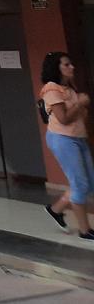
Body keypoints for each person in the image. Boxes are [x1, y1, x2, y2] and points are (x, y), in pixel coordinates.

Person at [40, 51, 94, 240]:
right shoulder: (51, 89)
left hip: (78, 138)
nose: (72, 67)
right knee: (80, 183)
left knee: (89, 182)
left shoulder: (69, 89)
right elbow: (63, 119)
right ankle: (85, 230)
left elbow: (79, 115)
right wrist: (79, 104)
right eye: (66, 64)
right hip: (63, 139)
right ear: (57, 68)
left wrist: (81, 107)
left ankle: (56, 209)